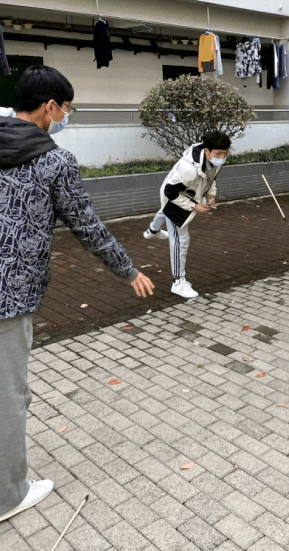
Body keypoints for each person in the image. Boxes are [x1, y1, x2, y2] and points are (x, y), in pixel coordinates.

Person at [0, 66, 154, 524]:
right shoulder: (54, 161)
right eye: (65, 109)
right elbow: (87, 227)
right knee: (9, 396)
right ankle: (9, 495)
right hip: (8, 296)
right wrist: (128, 272)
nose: (65, 116)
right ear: (49, 107)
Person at [144, 130, 230, 299]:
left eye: (225, 153)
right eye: (218, 153)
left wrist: (210, 194)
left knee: (165, 214)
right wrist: (194, 206)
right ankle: (178, 282)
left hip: (187, 193)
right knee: (180, 240)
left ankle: (152, 232)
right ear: (207, 151)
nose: (222, 157)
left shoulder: (214, 159)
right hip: (174, 196)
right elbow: (170, 192)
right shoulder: (188, 169)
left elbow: (211, 178)